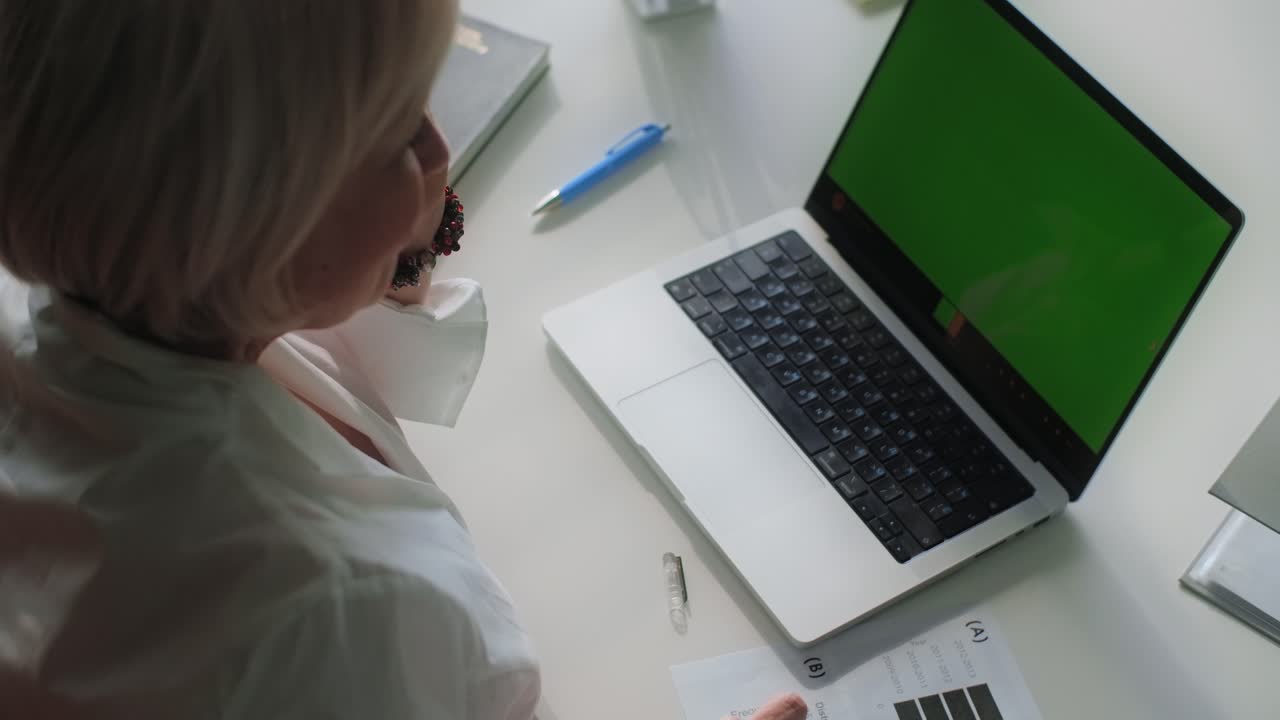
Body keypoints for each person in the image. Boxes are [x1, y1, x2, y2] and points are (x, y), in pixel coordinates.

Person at [0, 2, 809, 718]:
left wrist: (400, 232)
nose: (441, 151)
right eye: (396, 130)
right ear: (257, 212)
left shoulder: (133, 308)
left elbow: (351, 350)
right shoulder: (335, 615)